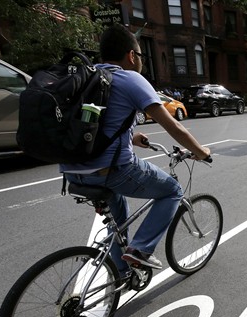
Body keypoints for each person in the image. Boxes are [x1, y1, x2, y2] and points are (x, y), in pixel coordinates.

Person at [60, 24, 210, 275]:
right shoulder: (129, 78)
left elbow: (92, 125)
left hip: (71, 171)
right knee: (172, 191)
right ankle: (139, 250)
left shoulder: (87, 76)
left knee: (118, 210)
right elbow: (174, 126)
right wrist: (202, 151)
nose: (140, 61)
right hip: (111, 171)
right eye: (139, 56)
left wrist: (129, 137)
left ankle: (121, 272)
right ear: (131, 55)